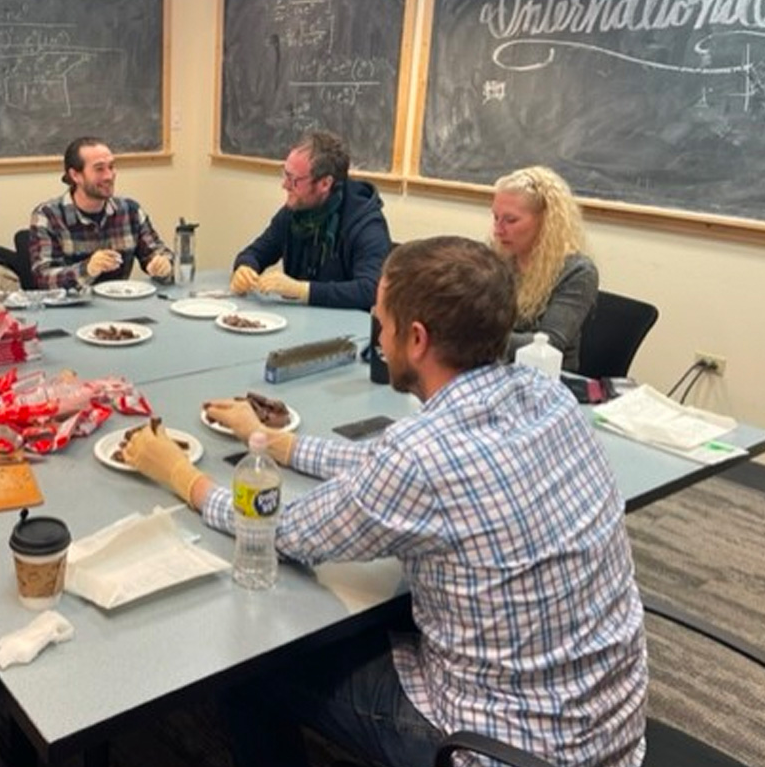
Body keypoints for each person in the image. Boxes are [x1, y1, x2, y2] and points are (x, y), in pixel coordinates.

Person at [124, 237, 648, 767]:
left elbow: (280, 531)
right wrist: (277, 443)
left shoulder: (420, 459)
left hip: (494, 749)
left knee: (253, 662)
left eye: (383, 321)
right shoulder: (550, 397)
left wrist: (179, 475)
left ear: (416, 338)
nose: (376, 332)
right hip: (611, 729)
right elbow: (394, 467)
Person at [229, 131, 391, 310]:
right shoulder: (294, 211)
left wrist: (303, 290)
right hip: (297, 323)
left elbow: (370, 290)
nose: (285, 185)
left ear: (324, 184)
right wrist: (245, 268)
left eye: (294, 180)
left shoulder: (366, 224)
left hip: (344, 331)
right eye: (285, 175)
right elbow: (256, 252)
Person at [28, 136, 174, 289]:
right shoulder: (48, 216)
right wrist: (88, 269)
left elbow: (161, 254)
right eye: (99, 169)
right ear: (75, 175)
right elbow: (43, 279)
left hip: (119, 306)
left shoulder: (130, 211)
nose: (109, 176)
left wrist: (164, 266)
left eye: (111, 167)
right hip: (70, 309)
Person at [491, 165, 598, 370]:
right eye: (495, 217)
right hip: (497, 369)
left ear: (547, 221)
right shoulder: (496, 257)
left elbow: (549, 344)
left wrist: (473, 340)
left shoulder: (577, 272)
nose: (498, 230)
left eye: (510, 220)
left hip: (547, 382)